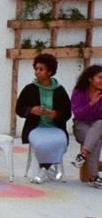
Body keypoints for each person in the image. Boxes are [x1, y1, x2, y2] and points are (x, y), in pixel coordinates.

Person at [15, 52, 71, 183]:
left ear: (50, 72)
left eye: (41, 69)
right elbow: (19, 109)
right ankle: (47, 168)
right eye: (36, 69)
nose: (37, 72)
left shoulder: (59, 90)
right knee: (40, 144)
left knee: (61, 142)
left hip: (55, 127)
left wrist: (55, 114)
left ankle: (44, 169)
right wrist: (31, 110)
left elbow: (67, 112)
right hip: (35, 127)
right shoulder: (30, 89)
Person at [70, 64, 102, 187]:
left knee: (100, 123)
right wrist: (91, 103)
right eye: (99, 77)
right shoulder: (79, 92)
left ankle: (82, 155)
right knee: (96, 140)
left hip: (99, 126)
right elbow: (78, 114)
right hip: (81, 125)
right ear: (90, 79)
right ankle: (93, 177)